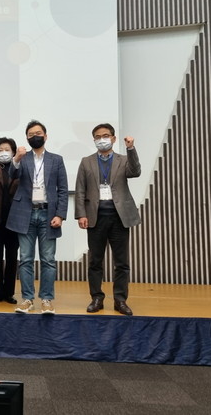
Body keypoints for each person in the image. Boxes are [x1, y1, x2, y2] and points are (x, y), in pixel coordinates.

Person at [75, 123, 141, 316]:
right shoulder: (86, 162)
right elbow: (80, 189)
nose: (101, 139)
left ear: (113, 138)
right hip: (95, 217)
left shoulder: (123, 159)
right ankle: (97, 298)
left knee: (122, 263)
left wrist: (131, 148)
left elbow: (135, 171)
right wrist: (81, 214)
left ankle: (120, 300)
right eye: (97, 136)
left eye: (105, 135)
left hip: (119, 216)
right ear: (93, 140)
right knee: (95, 261)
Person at [7, 120, 68, 314]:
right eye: (31, 134)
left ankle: (47, 300)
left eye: (38, 133)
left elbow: (63, 189)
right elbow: (12, 175)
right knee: (25, 258)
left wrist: (60, 215)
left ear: (46, 136)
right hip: (24, 212)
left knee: (48, 259)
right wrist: (16, 158)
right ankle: (27, 299)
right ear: (27, 138)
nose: (35, 136)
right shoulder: (23, 158)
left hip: (47, 213)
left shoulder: (56, 159)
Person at [0, 137, 20, 305]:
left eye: (7, 149)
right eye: (0, 150)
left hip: (15, 221)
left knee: (12, 257)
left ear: (13, 152)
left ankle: (9, 293)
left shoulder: (20, 169)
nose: (4, 152)